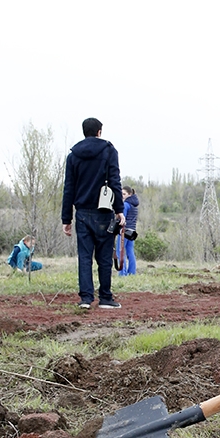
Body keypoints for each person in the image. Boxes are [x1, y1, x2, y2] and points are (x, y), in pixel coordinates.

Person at [61, 117, 125, 309]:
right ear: (99, 131)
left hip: (81, 213)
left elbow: (68, 189)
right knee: (105, 256)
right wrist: (120, 210)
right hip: (104, 213)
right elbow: (115, 181)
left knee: (85, 256)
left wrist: (66, 218)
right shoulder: (109, 151)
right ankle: (105, 298)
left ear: (84, 132)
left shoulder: (73, 156)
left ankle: (86, 299)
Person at [117, 186, 139, 276]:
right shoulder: (135, 205)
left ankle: (122, 273)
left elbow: (123, 218)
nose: (122, 196)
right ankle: (132, 272)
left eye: (124, 194)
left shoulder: (126, 204)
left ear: (129, 194)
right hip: (132, 230)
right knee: (130, 251)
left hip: (124, 231)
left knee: (120, 251)